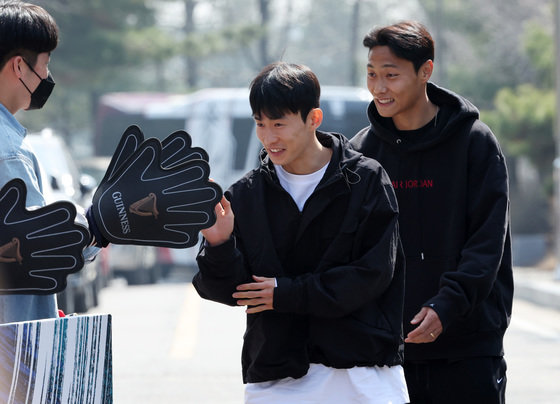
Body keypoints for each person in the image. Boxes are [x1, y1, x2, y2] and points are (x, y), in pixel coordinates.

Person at [193, 61, 409, 403]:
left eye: (279, 123)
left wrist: (285, 293)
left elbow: (373, 274)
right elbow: (230, 291)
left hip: (363, 372)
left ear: (313, 119)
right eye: (260, 124)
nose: (268, 137)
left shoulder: (366, 180)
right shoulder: (246, 196)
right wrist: (218, 244)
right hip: (277, 378)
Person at [350, 21, 513, 403]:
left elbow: (487, 244)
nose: (379, 87)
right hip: (387, 355)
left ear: (426, 71)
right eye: (372, 74)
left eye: (391, 75)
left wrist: (447, 304)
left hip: (467, 348)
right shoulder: (362, 153)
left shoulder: (474, 143)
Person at [0, 1, 74, 323]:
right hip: (14, 346)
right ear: (19, 67)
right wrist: (99, 226)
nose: (46, 76)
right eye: (44, 64)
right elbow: (38, 249)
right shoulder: (9, 152)